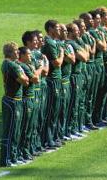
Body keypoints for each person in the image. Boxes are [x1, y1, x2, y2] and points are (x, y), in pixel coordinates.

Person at [0, 42, 29, 167]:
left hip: (12, 100)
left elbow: (24, 79)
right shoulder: (12, 65)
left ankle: (13, 157)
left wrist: (23, 75)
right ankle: (7, 159)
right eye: (16, 51)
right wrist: (23, 75)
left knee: (14, 131)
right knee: (11, 131)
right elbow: (25, 81)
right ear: (10, 53)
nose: (18, 53)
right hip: (12, 101)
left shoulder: (8, 64)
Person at [41, 20, 64, 150]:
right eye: (57, 27)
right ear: (50, 29)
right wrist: (61, 53)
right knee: (51, 111)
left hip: (56, 79)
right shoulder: (49, 43)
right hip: (52, 80)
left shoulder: (53, 42)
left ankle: (54, 137)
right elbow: (57, 63)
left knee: (56, 110)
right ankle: (48, 139)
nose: (60, 30)